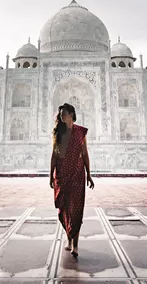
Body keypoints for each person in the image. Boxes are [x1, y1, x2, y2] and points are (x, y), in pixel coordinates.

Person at [49, 103, 94, 258]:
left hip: (77, 175)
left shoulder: (81, 132)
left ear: (71, 114)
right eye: (60, 114)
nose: (62, 116)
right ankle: (68, 239)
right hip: (62, 175)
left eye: (64, 113)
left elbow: (85, 154)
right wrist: (50, 175)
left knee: (76, 210)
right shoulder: (58, 134)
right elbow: (54, 155)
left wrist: (89, 174)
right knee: (63, 210)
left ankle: (75, 245)